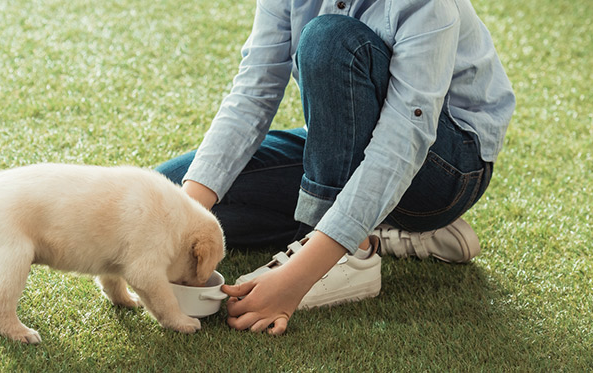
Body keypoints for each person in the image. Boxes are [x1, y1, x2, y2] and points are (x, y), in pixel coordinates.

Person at [157, 0, 515, 335]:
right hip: (344, 146)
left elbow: (404, 138)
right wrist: (183, 219)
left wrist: (296, 279)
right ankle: (378, 227)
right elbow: (254, 91)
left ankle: (352, 256)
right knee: (170, 191)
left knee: (329, 40)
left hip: (446, 166)